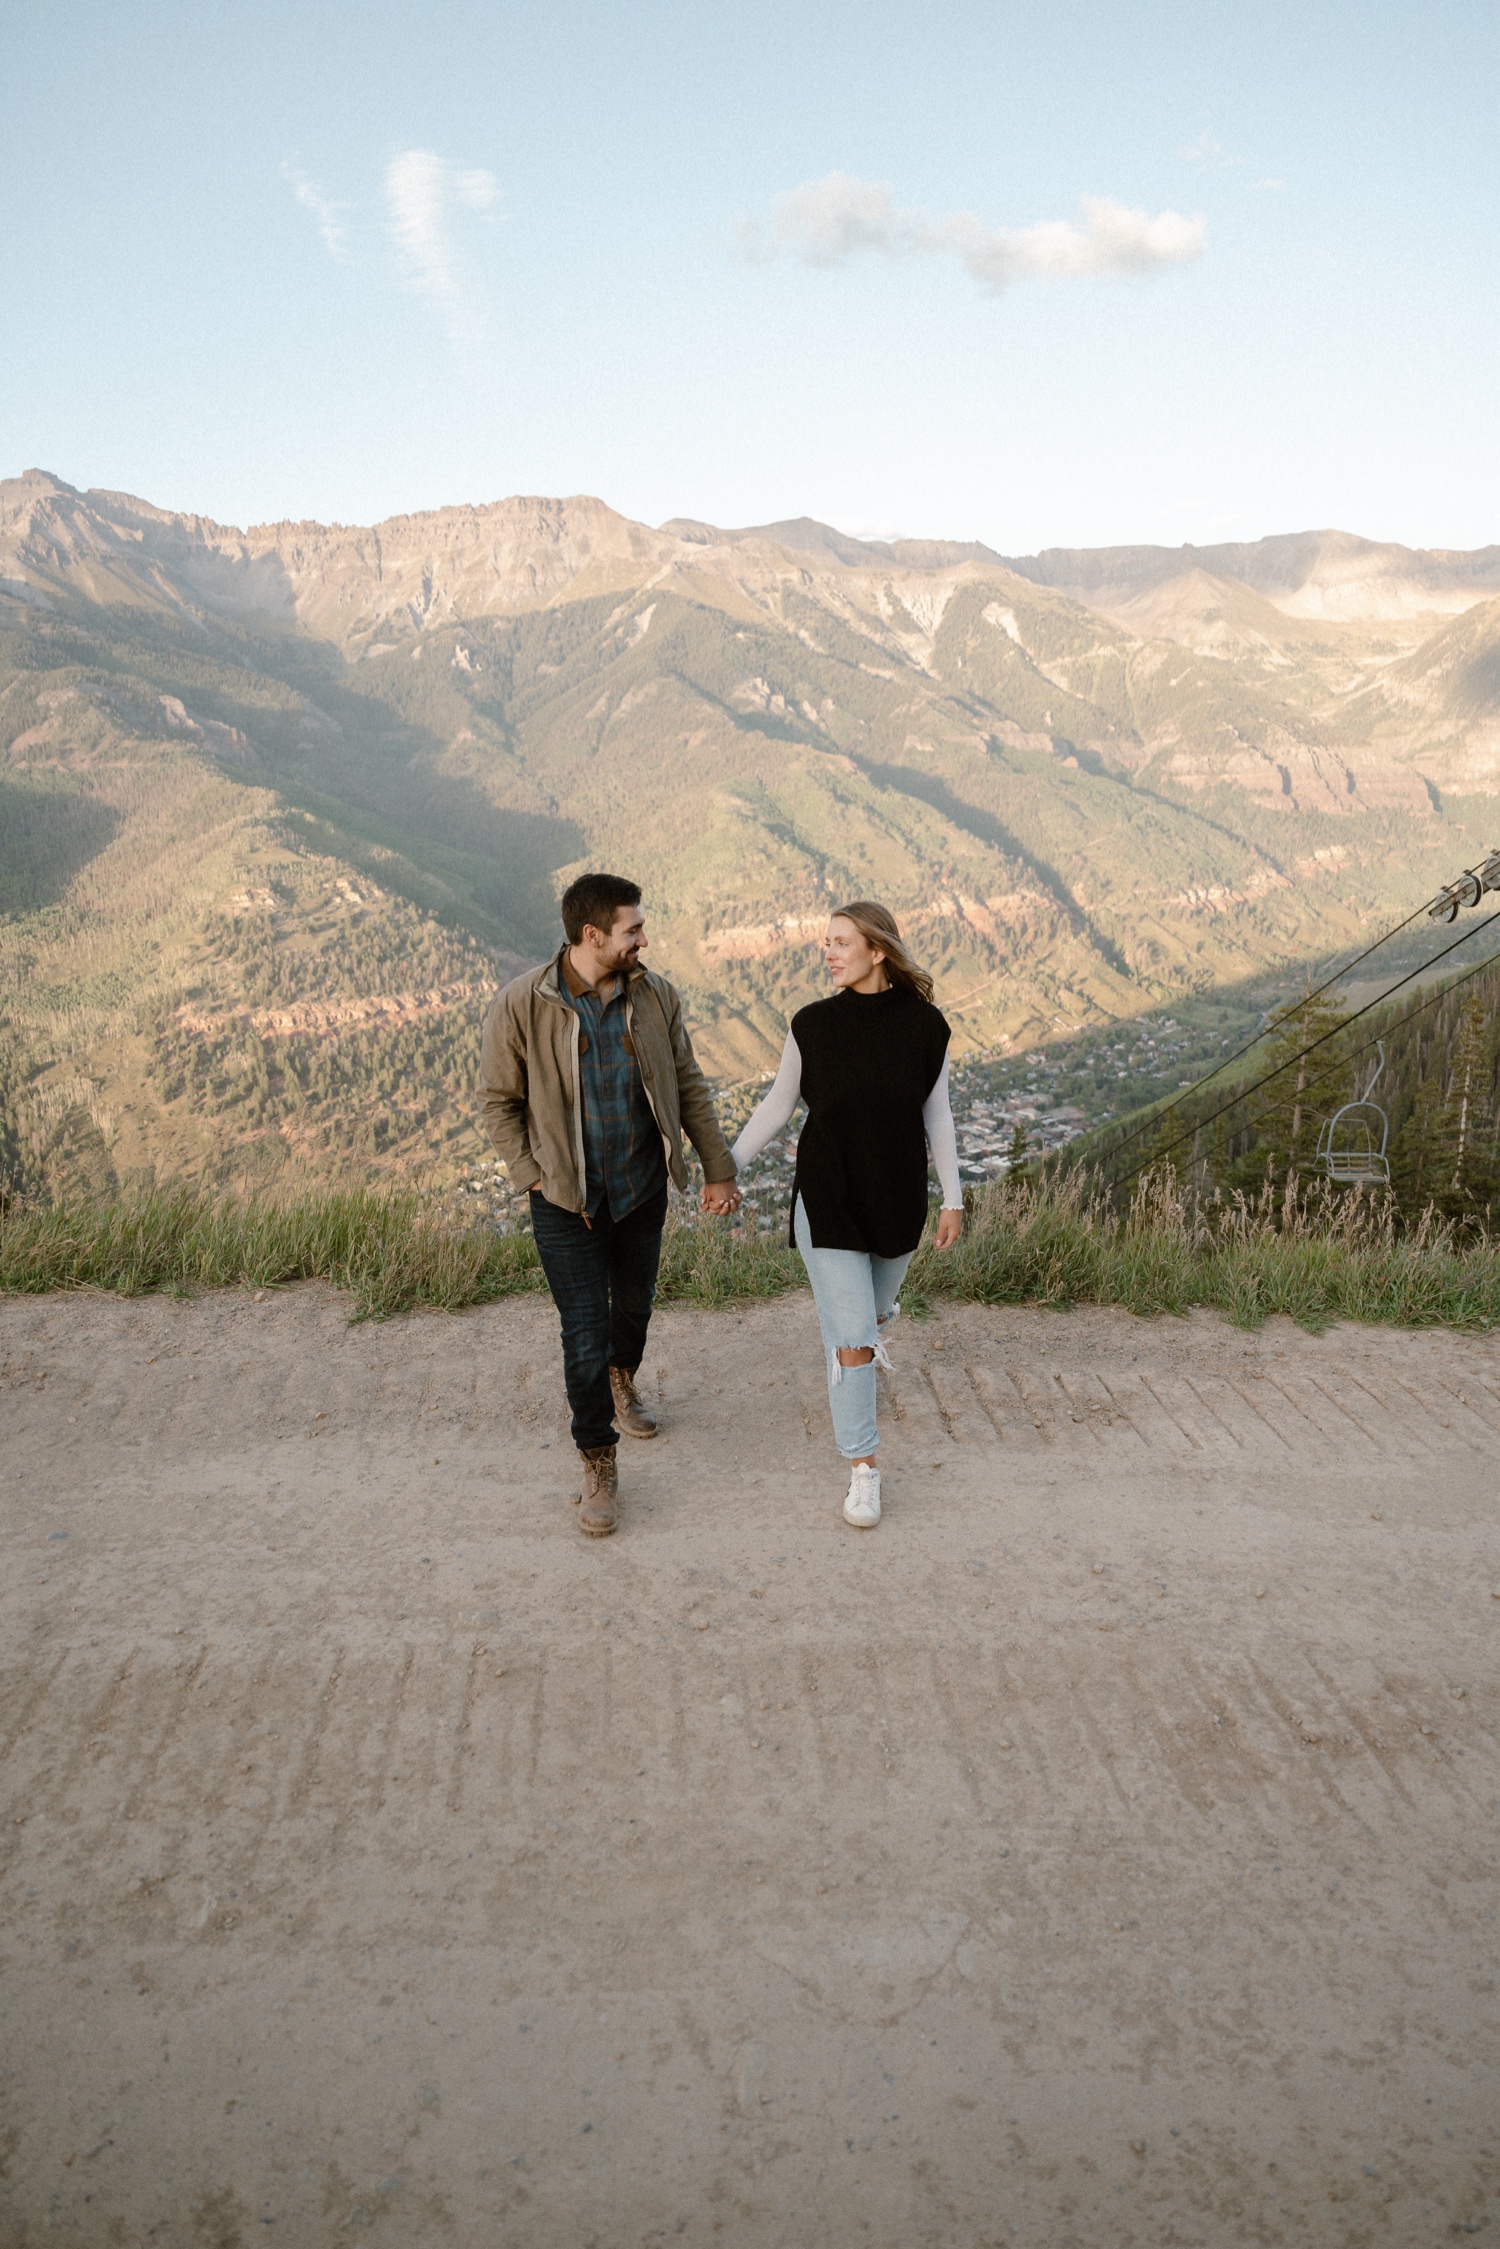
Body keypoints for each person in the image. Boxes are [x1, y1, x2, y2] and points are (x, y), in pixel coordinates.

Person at [479, 873, 740, 1537]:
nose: (644, 939)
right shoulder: (522, 1004)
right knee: (582, 1333)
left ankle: (623, 1378)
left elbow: (688, 1083)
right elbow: (498, 1101)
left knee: (635, 1306)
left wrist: (716, 1167)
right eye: (632, 929)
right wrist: (529, 1174)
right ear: (592, 936)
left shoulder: (655, 997)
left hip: (640, 1189)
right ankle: (598, 1460)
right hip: (564, 1201)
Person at [730, 901, 963, 1529]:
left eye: (840, 942)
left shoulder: (925, 1027)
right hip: (827, 1198)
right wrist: (726, 1166)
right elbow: (778, 1106)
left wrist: (954, 1198)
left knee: (869, 1320)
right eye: (825, 943)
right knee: (857, 1335)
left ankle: (846, 1345)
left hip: (897, 1202)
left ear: (877, 950)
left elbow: (936, 1115)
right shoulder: (812, 1024)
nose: (828, 953)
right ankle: (863, 1468)